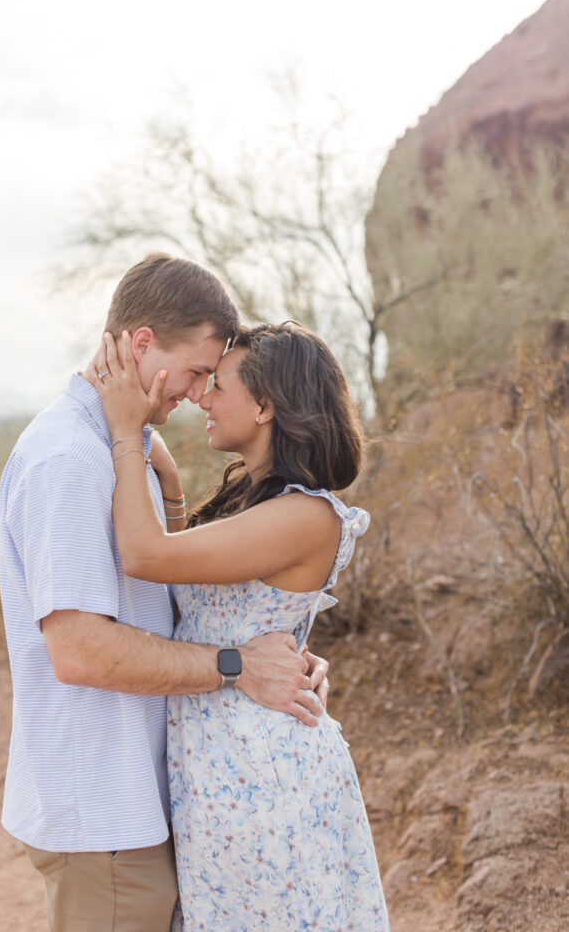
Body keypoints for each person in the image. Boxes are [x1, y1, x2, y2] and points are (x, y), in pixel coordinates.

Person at [0, 254, 330, 932]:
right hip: (103, 809)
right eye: (197, 371)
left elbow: (170, 596)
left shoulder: (125, 456)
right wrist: (238, 668)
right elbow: (82, 652)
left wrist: (284, 653)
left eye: (213, 378)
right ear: (143, 344)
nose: (199, 391)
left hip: (138, 802)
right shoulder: (70, 461)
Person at [86, 321, 390, 931]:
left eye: (217, 384)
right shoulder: (255, 502)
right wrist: (168, 482)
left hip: (263, 773)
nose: (202, 396)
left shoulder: (305, 514)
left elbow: (146, 556)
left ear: (266, 405)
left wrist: (126, 430)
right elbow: (194, 597)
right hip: (219, 764)